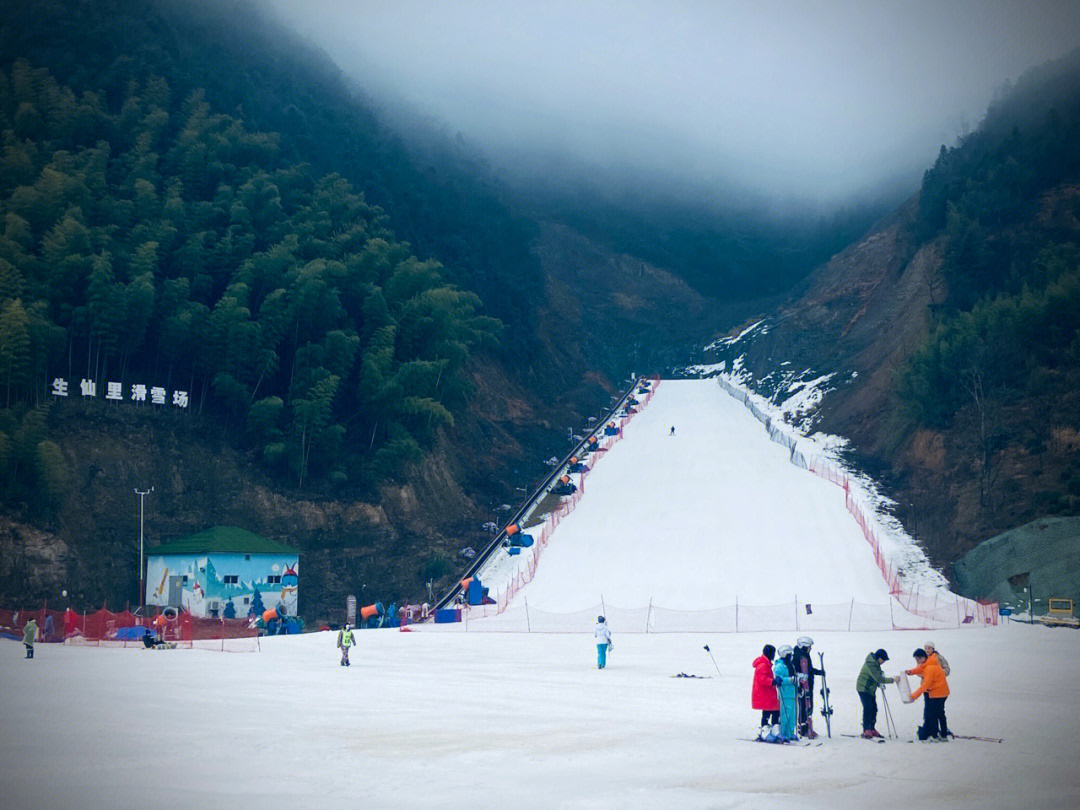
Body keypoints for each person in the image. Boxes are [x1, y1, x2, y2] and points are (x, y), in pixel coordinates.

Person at [907, 647, 951, 740]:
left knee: (935, 714)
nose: (917, 661)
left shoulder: (930, 668)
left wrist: (913, 696)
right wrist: (911, 672)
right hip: (940, 692)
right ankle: (943, 734)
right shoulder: (929, 662)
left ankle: (935, 735)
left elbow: (925, 685)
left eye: (917, 659)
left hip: (939, 693)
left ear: (922, 658)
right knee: (938, 713)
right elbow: (920, 669)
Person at [856, 648, 898, 738]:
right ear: (879, 658)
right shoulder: (871, 664)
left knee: (874, 708)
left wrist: (880, 684)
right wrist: (893, 680)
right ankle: (866, 729)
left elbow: (877, 677)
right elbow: (878, 678)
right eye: (883, 660)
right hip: (863, 688)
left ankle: (872, 728)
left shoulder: (875, 663)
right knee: (868, 708)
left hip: (870, 689)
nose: (883, 662)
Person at [792, 636, 824, 738]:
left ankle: (805, 728)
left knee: (806, 706)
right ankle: (805, 729)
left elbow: (808, 670)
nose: (811, 648)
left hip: (805, 685)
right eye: (809, 647)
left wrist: (817, 672)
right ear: (804, 646)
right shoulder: (802, 657)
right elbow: (804, 672)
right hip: (804, 686)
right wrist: (805, 685)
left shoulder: (802, 655)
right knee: (806, 707)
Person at [751, 644, 781, 741]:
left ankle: (774, 730)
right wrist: (773, 681)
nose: (774, 655)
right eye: (773, 653)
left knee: (775, 711)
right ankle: (765, 731)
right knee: (767, 712)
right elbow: (762, 679)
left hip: (768, 693)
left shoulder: (766, 663)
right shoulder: (763, 665)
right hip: (764, 694)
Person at [772, 645, 798, 742]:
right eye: (789, 654)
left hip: (792, 693)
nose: (791, 656)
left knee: (792, 715)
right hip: (785, 694)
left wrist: (798, 678)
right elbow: (779, 679)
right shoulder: (779, 666)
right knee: (785, 715)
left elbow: (793, 675)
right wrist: (790, 680)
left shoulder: (790, 665)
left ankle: (790, 733)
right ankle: (782, 734)